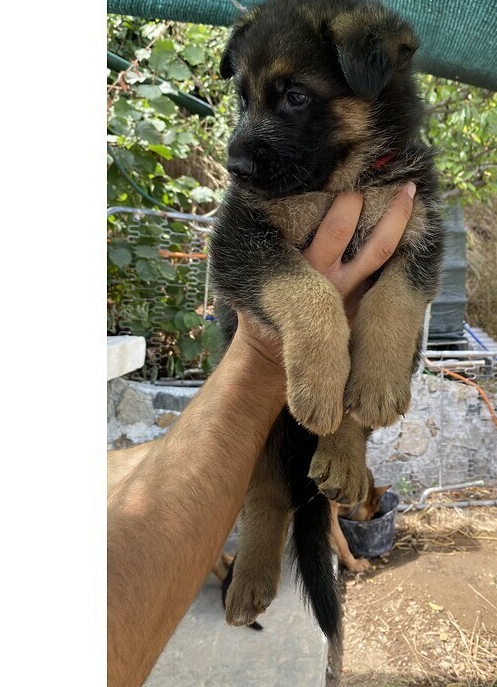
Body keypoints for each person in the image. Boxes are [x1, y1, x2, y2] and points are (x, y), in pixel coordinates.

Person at [107, 185, 417, 686]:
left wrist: (352, 426)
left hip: (353, 373)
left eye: (291, 98)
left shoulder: (397, 175)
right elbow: (233, 253)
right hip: (267, 335)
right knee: (267, 437)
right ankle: (266, 516)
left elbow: (415, 266)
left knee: (390, 327)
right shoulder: (272, 178)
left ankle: (344, 446)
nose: (240, 150)